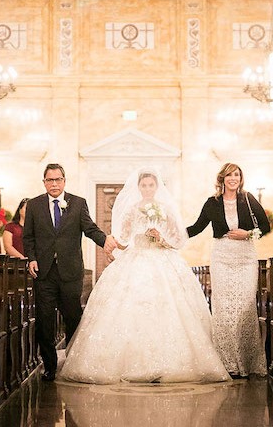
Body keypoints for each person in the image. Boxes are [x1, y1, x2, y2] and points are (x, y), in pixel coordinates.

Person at [59, 169, 229, 384]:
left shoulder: (166, 208)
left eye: (151, 185)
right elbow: (124, 237)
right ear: (138, 187)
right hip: (136, 257)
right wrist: (111, 245)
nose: (147, 189)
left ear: (156, 187)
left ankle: (168, 363)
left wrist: (162, 238)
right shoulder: (131, 209)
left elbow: (178, 238)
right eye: (144, 185)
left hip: (162, 259)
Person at [22, 163, 118, 381]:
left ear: (64, 181)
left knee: (73, 318)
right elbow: (28, 237)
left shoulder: (77, 203)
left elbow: (90, 228)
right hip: (44, 273)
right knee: (45, 322)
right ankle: (50, 367)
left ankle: (75, 363)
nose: (54, 184)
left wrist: (106, 242)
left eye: (58, 180)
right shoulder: (35, 205)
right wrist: (32, 258)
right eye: (49, 180)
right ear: (44, 182)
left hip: (70, 272)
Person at [187, 162, 270, 377]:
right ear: (222, 178)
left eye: (237, 175)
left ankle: (247, 362)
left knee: (245, 308)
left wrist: (248, 234)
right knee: (224, 309)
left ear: (240, 179)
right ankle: (227, 363)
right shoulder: (212, 203)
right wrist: (170, 235)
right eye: (229, 175)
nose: (233, 178)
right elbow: (196, 228)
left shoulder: (248, 199)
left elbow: (265, 226)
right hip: (222, 257)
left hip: (246, 257)